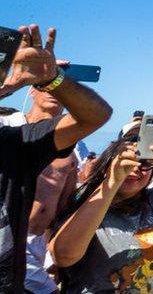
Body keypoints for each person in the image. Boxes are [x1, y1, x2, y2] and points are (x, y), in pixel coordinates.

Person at [0, 25, 113, 292]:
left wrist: (53, 78)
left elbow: (95, 115)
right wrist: (7, 84)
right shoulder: (10, 121)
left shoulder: (18, 141)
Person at [49, 125, 153, 293]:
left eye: (145, 163)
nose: (135, 168)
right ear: (107, 163)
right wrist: (112, 182)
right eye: (127, 161)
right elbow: (63, 256)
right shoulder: (85, 201)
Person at [25, 88, 79, 294]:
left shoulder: (72, 149)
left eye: (59, 86)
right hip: (9, 236)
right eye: (43, 85)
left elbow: (64, 205)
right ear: (31, 91)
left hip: (39, 244)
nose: (53, 92)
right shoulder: (8, 127)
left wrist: (53, 253)